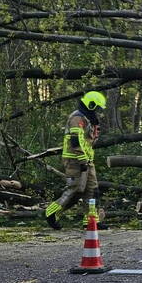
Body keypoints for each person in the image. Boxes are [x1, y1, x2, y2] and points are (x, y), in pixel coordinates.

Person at [45, 91, 108, 230]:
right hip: (74, 159)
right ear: (90, 104)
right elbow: (75, 140)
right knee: (74, 189)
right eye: (96, 107)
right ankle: (52, 212)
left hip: (87, 160)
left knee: (92, 190)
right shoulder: (77, 118)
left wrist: (87, 159)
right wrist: (82, 160)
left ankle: (91, 220)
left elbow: (89, 141)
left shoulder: (89, 119)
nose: (97, 111)